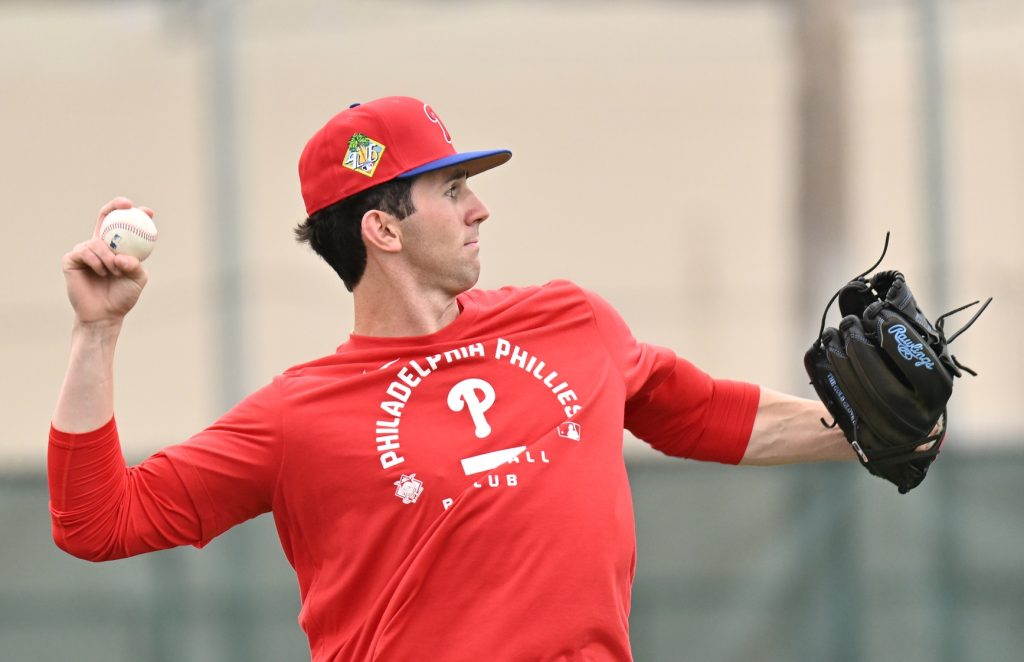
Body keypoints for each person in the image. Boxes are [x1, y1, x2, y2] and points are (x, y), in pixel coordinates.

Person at [50, 96, 854, 661]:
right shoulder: (300, 414)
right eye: (453, 189)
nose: (480, 210)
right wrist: (99, 334)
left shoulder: (569, 321)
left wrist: (869, 426)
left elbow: (697, 412)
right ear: (382, 228)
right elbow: (97, 522)